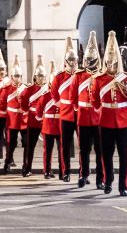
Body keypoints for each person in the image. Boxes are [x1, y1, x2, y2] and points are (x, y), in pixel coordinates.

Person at [91, 30, 127, 196]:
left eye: (114, 62)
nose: (112, 65)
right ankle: (108, 182)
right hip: (106, 120)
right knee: (106, 155)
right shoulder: (99, 80)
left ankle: (124, 186)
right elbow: (95, 102)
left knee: (125, 156)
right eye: (109, 62)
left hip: (124, 120)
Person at [75, 31, 105, 188]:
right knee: (84, 151)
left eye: (93, 59)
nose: (91, 62)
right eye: (89, 59)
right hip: (83, 118)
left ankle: (100, 179)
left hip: (98, 118)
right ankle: (84, 174)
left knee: (100, 152)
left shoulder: (101, 76)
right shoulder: (79, 76)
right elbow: (74, 96)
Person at [50, 36, 78, 182]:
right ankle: (65, 171)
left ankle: (83, 171)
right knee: (64, 145)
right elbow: (54, 94)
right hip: (66, 113)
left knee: (83, 146)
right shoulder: (59, 77)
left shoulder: (80, 75)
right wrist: (62, 105)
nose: (73, 63)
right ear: (66, 61)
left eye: (75, 61)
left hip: (79, 113)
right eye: (71, 60)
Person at [21, 55, 49, 177]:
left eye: (43, 76)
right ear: (35, 77)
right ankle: (27, 168)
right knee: (29, 146)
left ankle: (47, 170)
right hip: (32, 120)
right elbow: (23, 101)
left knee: (47, 147)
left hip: (45, 120)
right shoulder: (29, 89)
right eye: (39, 76)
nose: (41, 78)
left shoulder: (47, 89)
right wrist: (26, 110)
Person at [0, 55, 25, 174]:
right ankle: (7, 162)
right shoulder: (7, 89)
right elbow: (1, 102)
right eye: (16, 76)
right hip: (12, 119)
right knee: (11, 143)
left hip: (23, 120)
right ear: (11, 77)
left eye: (19, 76)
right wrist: (6, 113)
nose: (18, 78)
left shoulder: (25, 88)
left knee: (26, 143)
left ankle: (26, 164)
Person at [41, 61, 62, 178]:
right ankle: (47, 171)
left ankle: (62, 171)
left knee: (61, 151)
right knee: (48, 151)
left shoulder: (61, 94)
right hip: (49, 126)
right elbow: (39, 110)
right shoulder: (45, 95)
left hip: (58, 125)